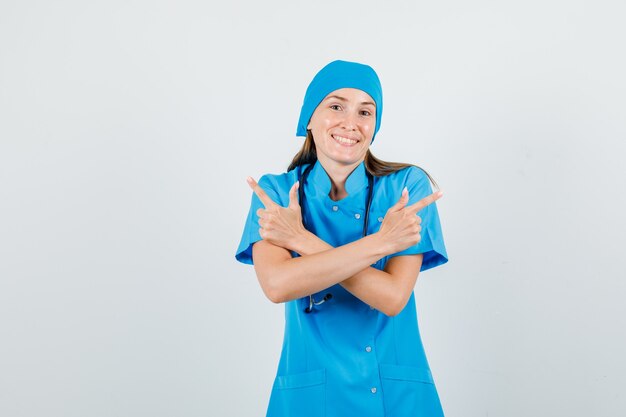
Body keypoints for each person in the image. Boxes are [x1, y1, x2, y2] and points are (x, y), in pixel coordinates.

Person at [235, 60, 448, 417]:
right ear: (309, 118)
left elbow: (393, 297)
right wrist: (382, 243)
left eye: (365, 111)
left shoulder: (406, 187)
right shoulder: (277, 191)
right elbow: (277, 285)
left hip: (396, 399)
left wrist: (300, 240)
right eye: (336, 106)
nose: (351, 123)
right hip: (309, 399)